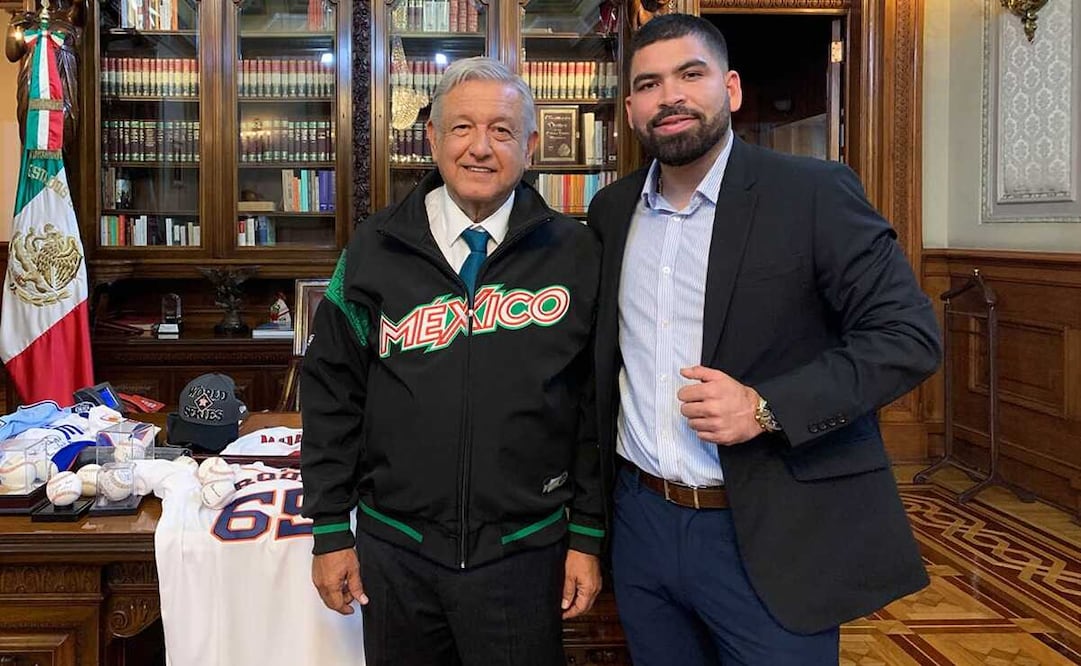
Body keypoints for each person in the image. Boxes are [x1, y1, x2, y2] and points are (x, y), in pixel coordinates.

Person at [587, 14, 942, 665]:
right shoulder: (609, 213)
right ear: (630, 106)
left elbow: (907, 337)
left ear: (731, 88)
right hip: (640, 522)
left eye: (689, 75)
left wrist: (764, 406)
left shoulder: (810, 192)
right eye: (648, 83)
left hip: (771, 527)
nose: (669, 96)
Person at [300, 56, 604, 666]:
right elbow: (332, 392)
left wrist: (588, 534)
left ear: (531, 145)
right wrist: (331, 527)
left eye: (502, 130)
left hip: (524, 552)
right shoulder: (373, 247)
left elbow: (594, 403)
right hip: (398, 552)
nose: (480, 148)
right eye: (462, 128)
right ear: (433, 137)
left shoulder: (576, 254)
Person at [5, 0, 85, 153]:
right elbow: (12, 54)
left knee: (63, 137)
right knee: (33, 136)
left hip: (61, 86)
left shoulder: (72, 15)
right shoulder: (30, 20)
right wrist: (14, 26)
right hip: (32, 87)